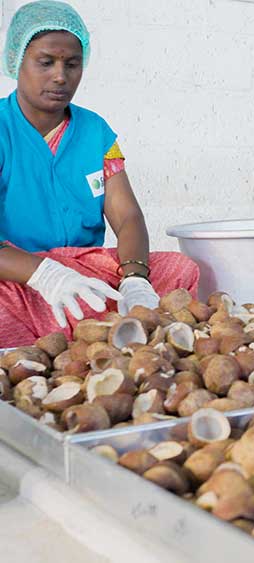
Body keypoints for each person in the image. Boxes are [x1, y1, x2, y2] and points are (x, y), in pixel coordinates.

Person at [0, 1, 198, 346]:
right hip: (19, 276)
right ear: (17, 60)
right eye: (46, 62)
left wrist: (135, 280)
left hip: (85, 276)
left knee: (180, 269)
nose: (60, 76)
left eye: (72, 64)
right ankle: (95, 331)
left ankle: (77, 330)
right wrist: (45, 275)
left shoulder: (96, 132)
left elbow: (127, 217)